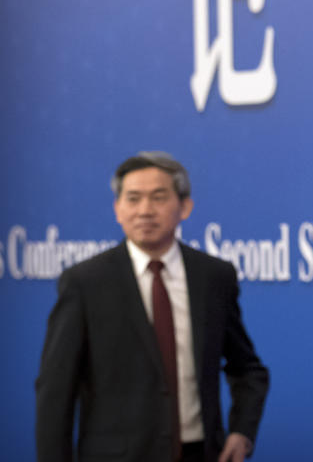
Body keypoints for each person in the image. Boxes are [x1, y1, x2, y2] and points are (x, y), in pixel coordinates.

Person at [36, 152, 269, 462]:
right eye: (133, 199)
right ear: (118, 209)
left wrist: (242, 432)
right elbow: (55, 390)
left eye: (158, 198)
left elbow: (248, 369)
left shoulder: (214, 277)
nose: (144, 210)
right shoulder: (85, 282)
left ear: (185, 206)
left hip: (199, 453)